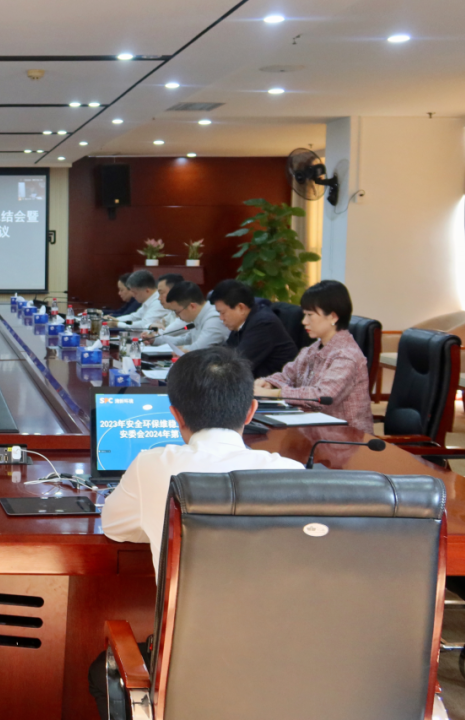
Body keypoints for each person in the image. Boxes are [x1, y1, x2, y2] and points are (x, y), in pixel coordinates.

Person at [88, 347, 303, 720]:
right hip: (288, 669)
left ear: (175, 416)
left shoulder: (154, 465)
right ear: (250, 411)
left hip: (189, 674)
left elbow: (115, 526)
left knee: (100, 672)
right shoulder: (293, 474)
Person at [254, 280, 374, 432]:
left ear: (333, 317)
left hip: (345, 437)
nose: (304, 321)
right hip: (313, 429)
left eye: (310, 315)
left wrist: (275, 393)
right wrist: (268, 383)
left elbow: (321, 397)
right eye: (304, 315)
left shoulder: (346, 356)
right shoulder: (313, 349)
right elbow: (288, 375)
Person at [212, 279, 297, 378]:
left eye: (223, 313)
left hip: (279, 384)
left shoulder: (264, 324)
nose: (221, 318)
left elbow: (237, 365)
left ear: (241, 308)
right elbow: (225, 352)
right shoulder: (242, 323)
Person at [152, 281, 229, 351]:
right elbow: (186, 340)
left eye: (177, 311)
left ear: (192, 306)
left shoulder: (214, 319)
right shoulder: (198, 317)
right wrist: (155, 339)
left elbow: (197, 349)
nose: (177, 316)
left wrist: (181, 349)